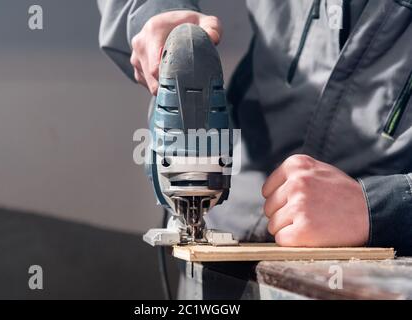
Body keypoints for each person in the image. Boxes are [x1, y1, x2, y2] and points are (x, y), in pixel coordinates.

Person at [97, 0, 412, 256]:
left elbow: (389, 210)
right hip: (227, 239)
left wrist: (384, 208)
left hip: (376, 268)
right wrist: (154, 11)